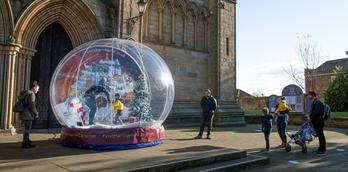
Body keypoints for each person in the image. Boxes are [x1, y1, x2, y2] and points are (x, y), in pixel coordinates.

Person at [19, 81, 39, 148]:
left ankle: (27, 142)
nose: (38, 90)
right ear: (34, 88)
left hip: (24, 113)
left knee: (26, 128)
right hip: (28, 114)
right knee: (27, 129)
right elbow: (32, 105)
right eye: (37, 88)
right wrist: (36, 113)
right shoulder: (31, 94)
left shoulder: (26, 93)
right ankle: (25, 143)